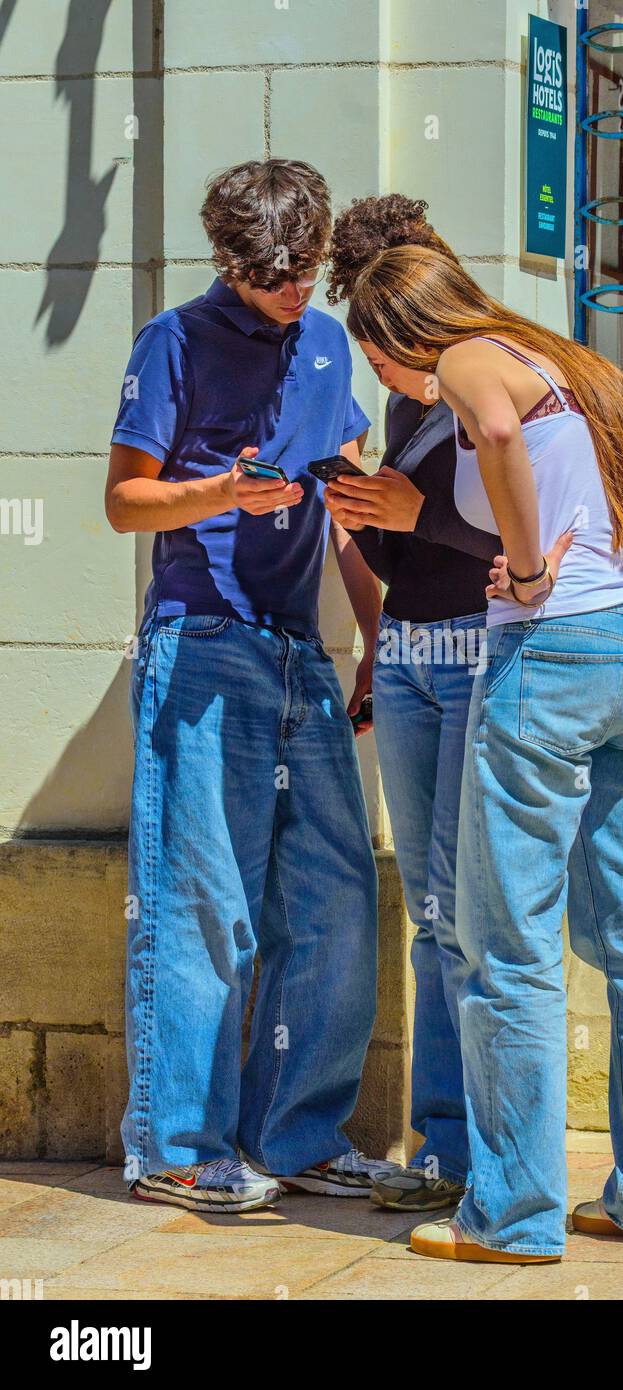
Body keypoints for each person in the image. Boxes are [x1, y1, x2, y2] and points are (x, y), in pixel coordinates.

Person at [343, 244, 623, 1262]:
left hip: (550, 659)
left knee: (507, 948)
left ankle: (511, 1214)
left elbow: (493, 427)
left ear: (403, 333)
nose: (388, 379)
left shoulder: (466, 360)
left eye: (378, 356)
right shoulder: (585, 373)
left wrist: (531, 566)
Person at [105, 159, 397, 1212]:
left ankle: (298, 1134)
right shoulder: (172, 342)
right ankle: (179, 1147)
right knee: (200, 907)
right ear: (228, 259)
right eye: (274, 272)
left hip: (297, 655)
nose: (295, 289)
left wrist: (373, 634)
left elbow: (350, 505)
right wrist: (218, 491)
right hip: (202, 644)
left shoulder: (323, 343)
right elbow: (125, 505)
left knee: (333, 903)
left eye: (308, 269)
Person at [322, 196, 501, 1212]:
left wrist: (416, 509)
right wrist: (355, 513)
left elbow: (529, 549)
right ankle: (441, 1147)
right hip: (410, 657)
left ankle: (487, 1152)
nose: (392, 345)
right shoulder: (402, 404)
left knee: (470, 911)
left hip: (481, 658)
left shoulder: (492, 382)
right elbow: (411, 561)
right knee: (430, 914)